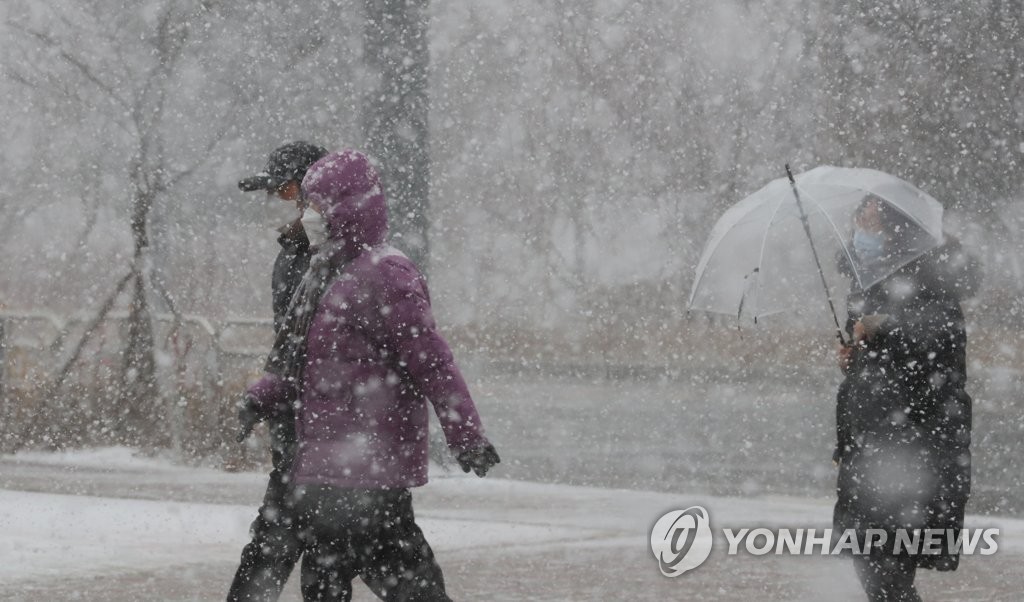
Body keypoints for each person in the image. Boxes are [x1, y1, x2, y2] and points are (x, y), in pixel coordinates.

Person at [243, 149, 500, 601]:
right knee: (324, 585)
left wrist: (466, 435)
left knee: (410, 586)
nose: (310, 217)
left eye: (318, 206)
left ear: (347, 207)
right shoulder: (321, 269)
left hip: (371, 473)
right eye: (309, 206)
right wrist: (261, 396)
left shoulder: (387, 274)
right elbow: (296, 356)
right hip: (324, 471)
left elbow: (432, 362)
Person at [833, 197, 981, 601]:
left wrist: (881, 330)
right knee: (873, 565)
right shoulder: (866, 277)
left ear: (897, 225)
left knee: (887, 569)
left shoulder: (930, 276)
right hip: (872, 441)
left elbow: (938, 347)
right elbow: (880, 356)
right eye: (858, 213)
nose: (862, 221)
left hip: (914, 442)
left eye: (871, 214)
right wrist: (853, 357)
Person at [228, 140, 328, 602]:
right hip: (295, 436)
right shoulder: (289, 256)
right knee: (273, 549)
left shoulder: (346, 261)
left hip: (337, 442)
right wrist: (269, 397)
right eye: (276, 194)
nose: (280, 204)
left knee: (341, 560)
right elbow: (288, 349)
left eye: (288, 192)